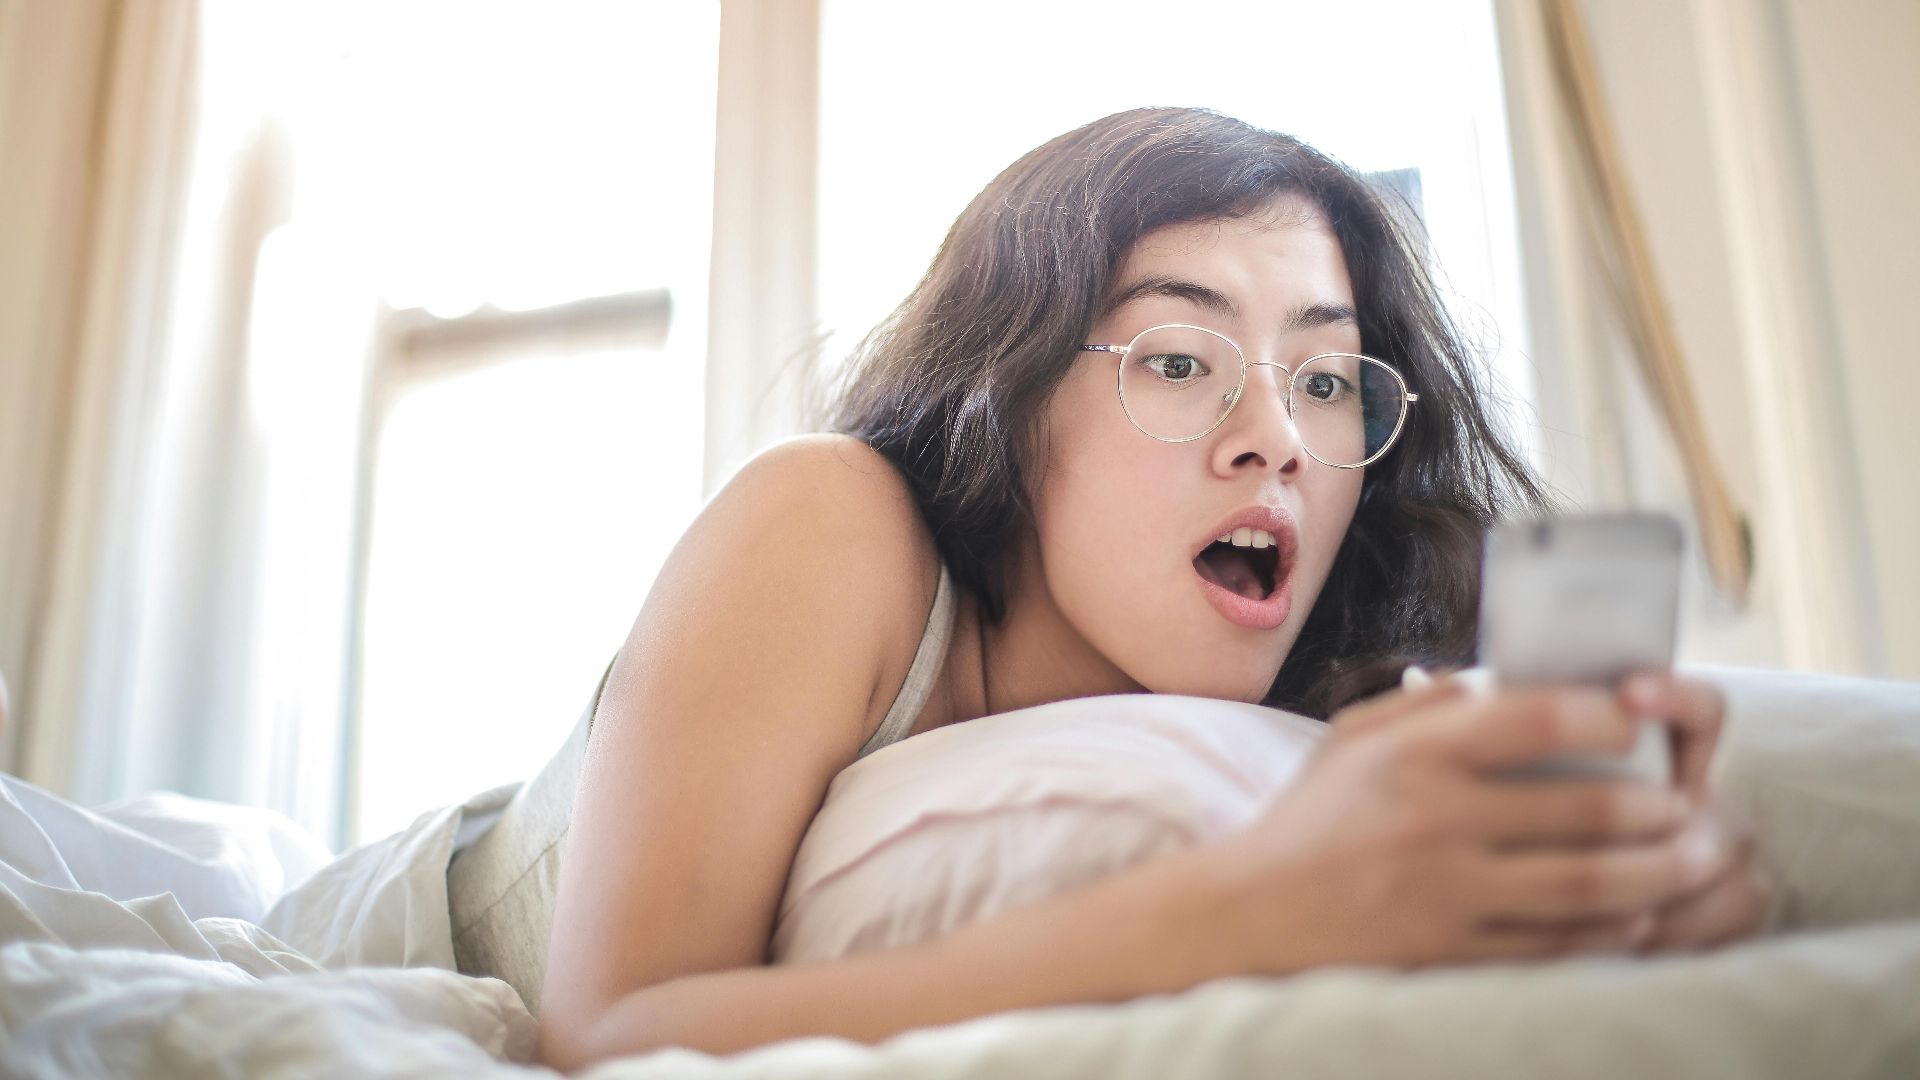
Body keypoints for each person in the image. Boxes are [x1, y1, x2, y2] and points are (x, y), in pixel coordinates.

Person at [533, 107, 1769, 1070]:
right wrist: (1249, 911)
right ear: (1008, 400)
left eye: (1329, 380)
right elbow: (611, 1036)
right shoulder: (830, 521)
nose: (1277, 436)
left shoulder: (1340, 679)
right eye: (1181, 361)